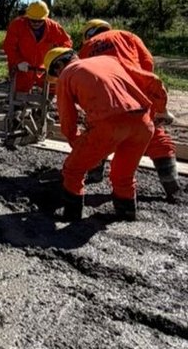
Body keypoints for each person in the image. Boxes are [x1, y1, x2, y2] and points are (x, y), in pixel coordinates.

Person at [44, 47, 161, 221]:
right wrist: (161, 109)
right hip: (142, 123)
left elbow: (68, 119)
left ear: (59, 64)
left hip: (108, 125)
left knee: (73, 169)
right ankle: (126, 214)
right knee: (123, 174)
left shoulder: (67, 75)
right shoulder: (109, 60)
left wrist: (77, 143)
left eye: (55, 72)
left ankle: (72, 215)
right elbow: (152, 80)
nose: (57, 76)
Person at [79, 19, 180, 201]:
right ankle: (171, 184)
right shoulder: (127, 35)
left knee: (99, 132)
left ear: (88, 35)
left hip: (105, 98)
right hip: (136, 91)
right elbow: (147, 62)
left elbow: (86, 79)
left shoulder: (86, 49)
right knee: (154, 134)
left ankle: (95, 173)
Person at [2, 1, 72, 93]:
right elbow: (9, 46)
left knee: (53, 88)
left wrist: (55, 60)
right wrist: (18, 62)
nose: (36, 23)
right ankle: (18, 106)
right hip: (22, 67)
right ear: (28, 17)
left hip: (43, 67)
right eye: (33, 20)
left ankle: (47, 105)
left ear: (45, 18)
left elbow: (66, 43)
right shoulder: (17, 25)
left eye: (40, 21)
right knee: (19, 91)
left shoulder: (53, 27)